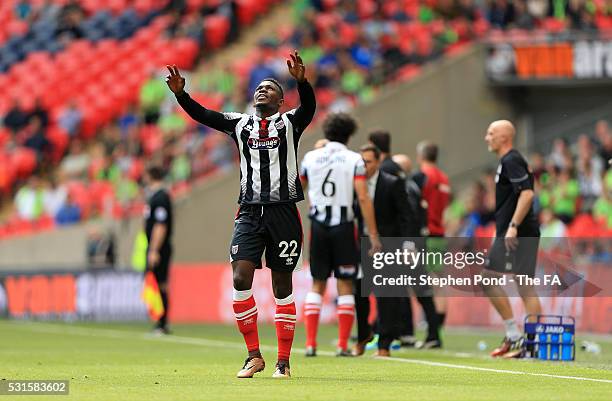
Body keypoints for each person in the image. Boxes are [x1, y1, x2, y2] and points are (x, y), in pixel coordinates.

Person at [166, 51, 315, 379]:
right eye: (259, 88)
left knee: (282, 287)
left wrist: (302, 82)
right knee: (239, 278)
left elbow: (310, 108)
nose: (262, 90)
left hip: (284, 212)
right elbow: (204, 115)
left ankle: (284, 362)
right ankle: (253, 356)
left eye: (271, 89)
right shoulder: (240, 123)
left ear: (280, 102)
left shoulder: (290, 123)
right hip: (248, 211)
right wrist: (181, 95)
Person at [300, 113, 381, 357]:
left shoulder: (311, 157)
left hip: (318, 225)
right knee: (345, 283)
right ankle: (342, 345)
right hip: (344, 226)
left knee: (317, 283)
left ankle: (311, 344)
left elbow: (298, 188)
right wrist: (374, 233)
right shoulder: (354, 159)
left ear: (326, 131)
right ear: (349, 135)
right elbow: (363, 197)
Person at [483, 120, 541, 358]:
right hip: (518, 231)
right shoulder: (508, 161)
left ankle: (517, 336)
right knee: (524, 285)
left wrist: (513, 226)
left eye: (491, 133)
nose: (487, 137)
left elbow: (527, 194)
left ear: (504, 138)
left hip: (517, 232)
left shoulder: (511, 160)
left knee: (488, 278)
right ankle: (530, 342)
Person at [416, 141, 451, 329]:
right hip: (439, 232)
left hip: (425, 233)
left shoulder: (423, 177)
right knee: (438, 279)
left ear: (420, 156)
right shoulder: (444, 179)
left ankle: (431, 320)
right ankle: (439, 320)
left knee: (422, 280)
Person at [143, 166, 174, 335]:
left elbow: (160, 226)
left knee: (160, 283)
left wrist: (154, 249)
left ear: (150, 175)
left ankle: (162, 323)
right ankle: (158, 322)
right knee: (154, 282)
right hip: (154, 247)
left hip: (160, 248)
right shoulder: (153, 197)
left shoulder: (161, 197)